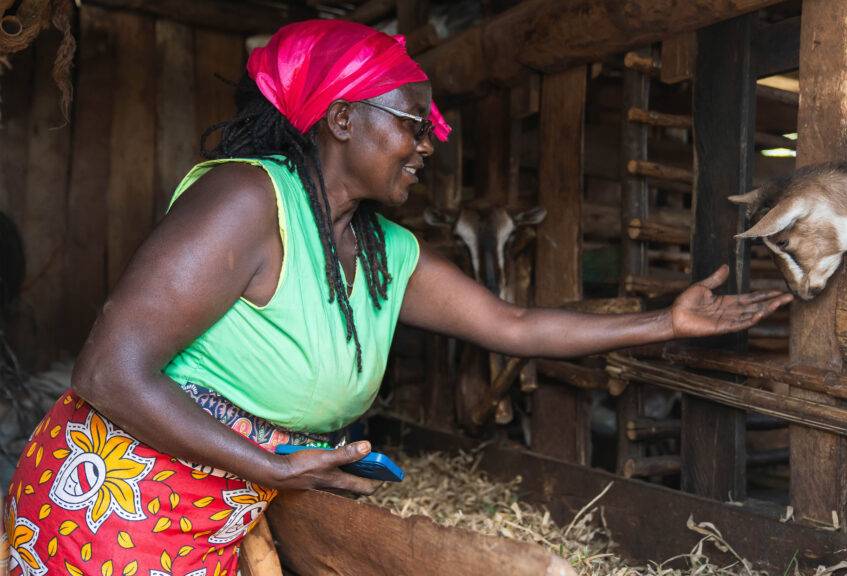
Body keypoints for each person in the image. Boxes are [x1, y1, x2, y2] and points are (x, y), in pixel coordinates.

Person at [2, 19, 791, 576]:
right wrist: (271, 467)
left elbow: (511, 325)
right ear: (342, 117)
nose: (428, 145)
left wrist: (667, 321)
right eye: (414, 124)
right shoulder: (248, 201)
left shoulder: (387, 251)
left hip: (218, 513)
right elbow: (107, 371)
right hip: (115, 506)